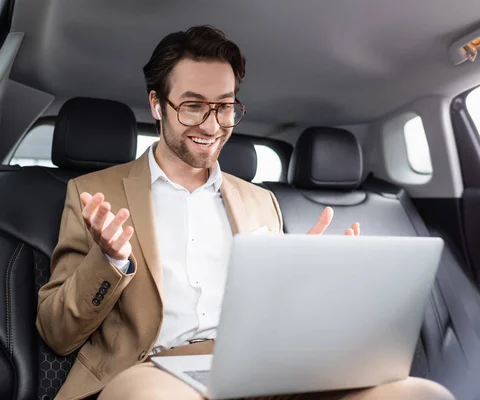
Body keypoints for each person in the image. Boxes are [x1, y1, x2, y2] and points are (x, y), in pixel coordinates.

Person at [36, 26, 454, 400]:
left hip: (262, 369)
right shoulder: (95, 194)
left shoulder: (261, 201)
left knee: (419, 393)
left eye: (225, 106)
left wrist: (311, 280)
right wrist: (110, 259)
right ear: (157, 105)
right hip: (156, 372)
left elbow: (278, 319)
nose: (212, 125)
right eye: (193, 106)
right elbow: (57, 333)